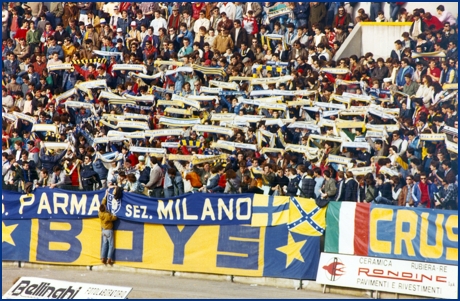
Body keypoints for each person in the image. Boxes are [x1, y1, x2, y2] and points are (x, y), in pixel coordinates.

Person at [99, 187, 120, 265]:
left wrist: (105, 195)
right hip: (109, 230)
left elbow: (103, 203)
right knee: (111, 245)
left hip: (103, 230)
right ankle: (109, 258)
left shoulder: (100, 213)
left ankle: (103, 257)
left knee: (104, 244)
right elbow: (114, 218)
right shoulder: (107, 215)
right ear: (104, 209)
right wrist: (115, 215)